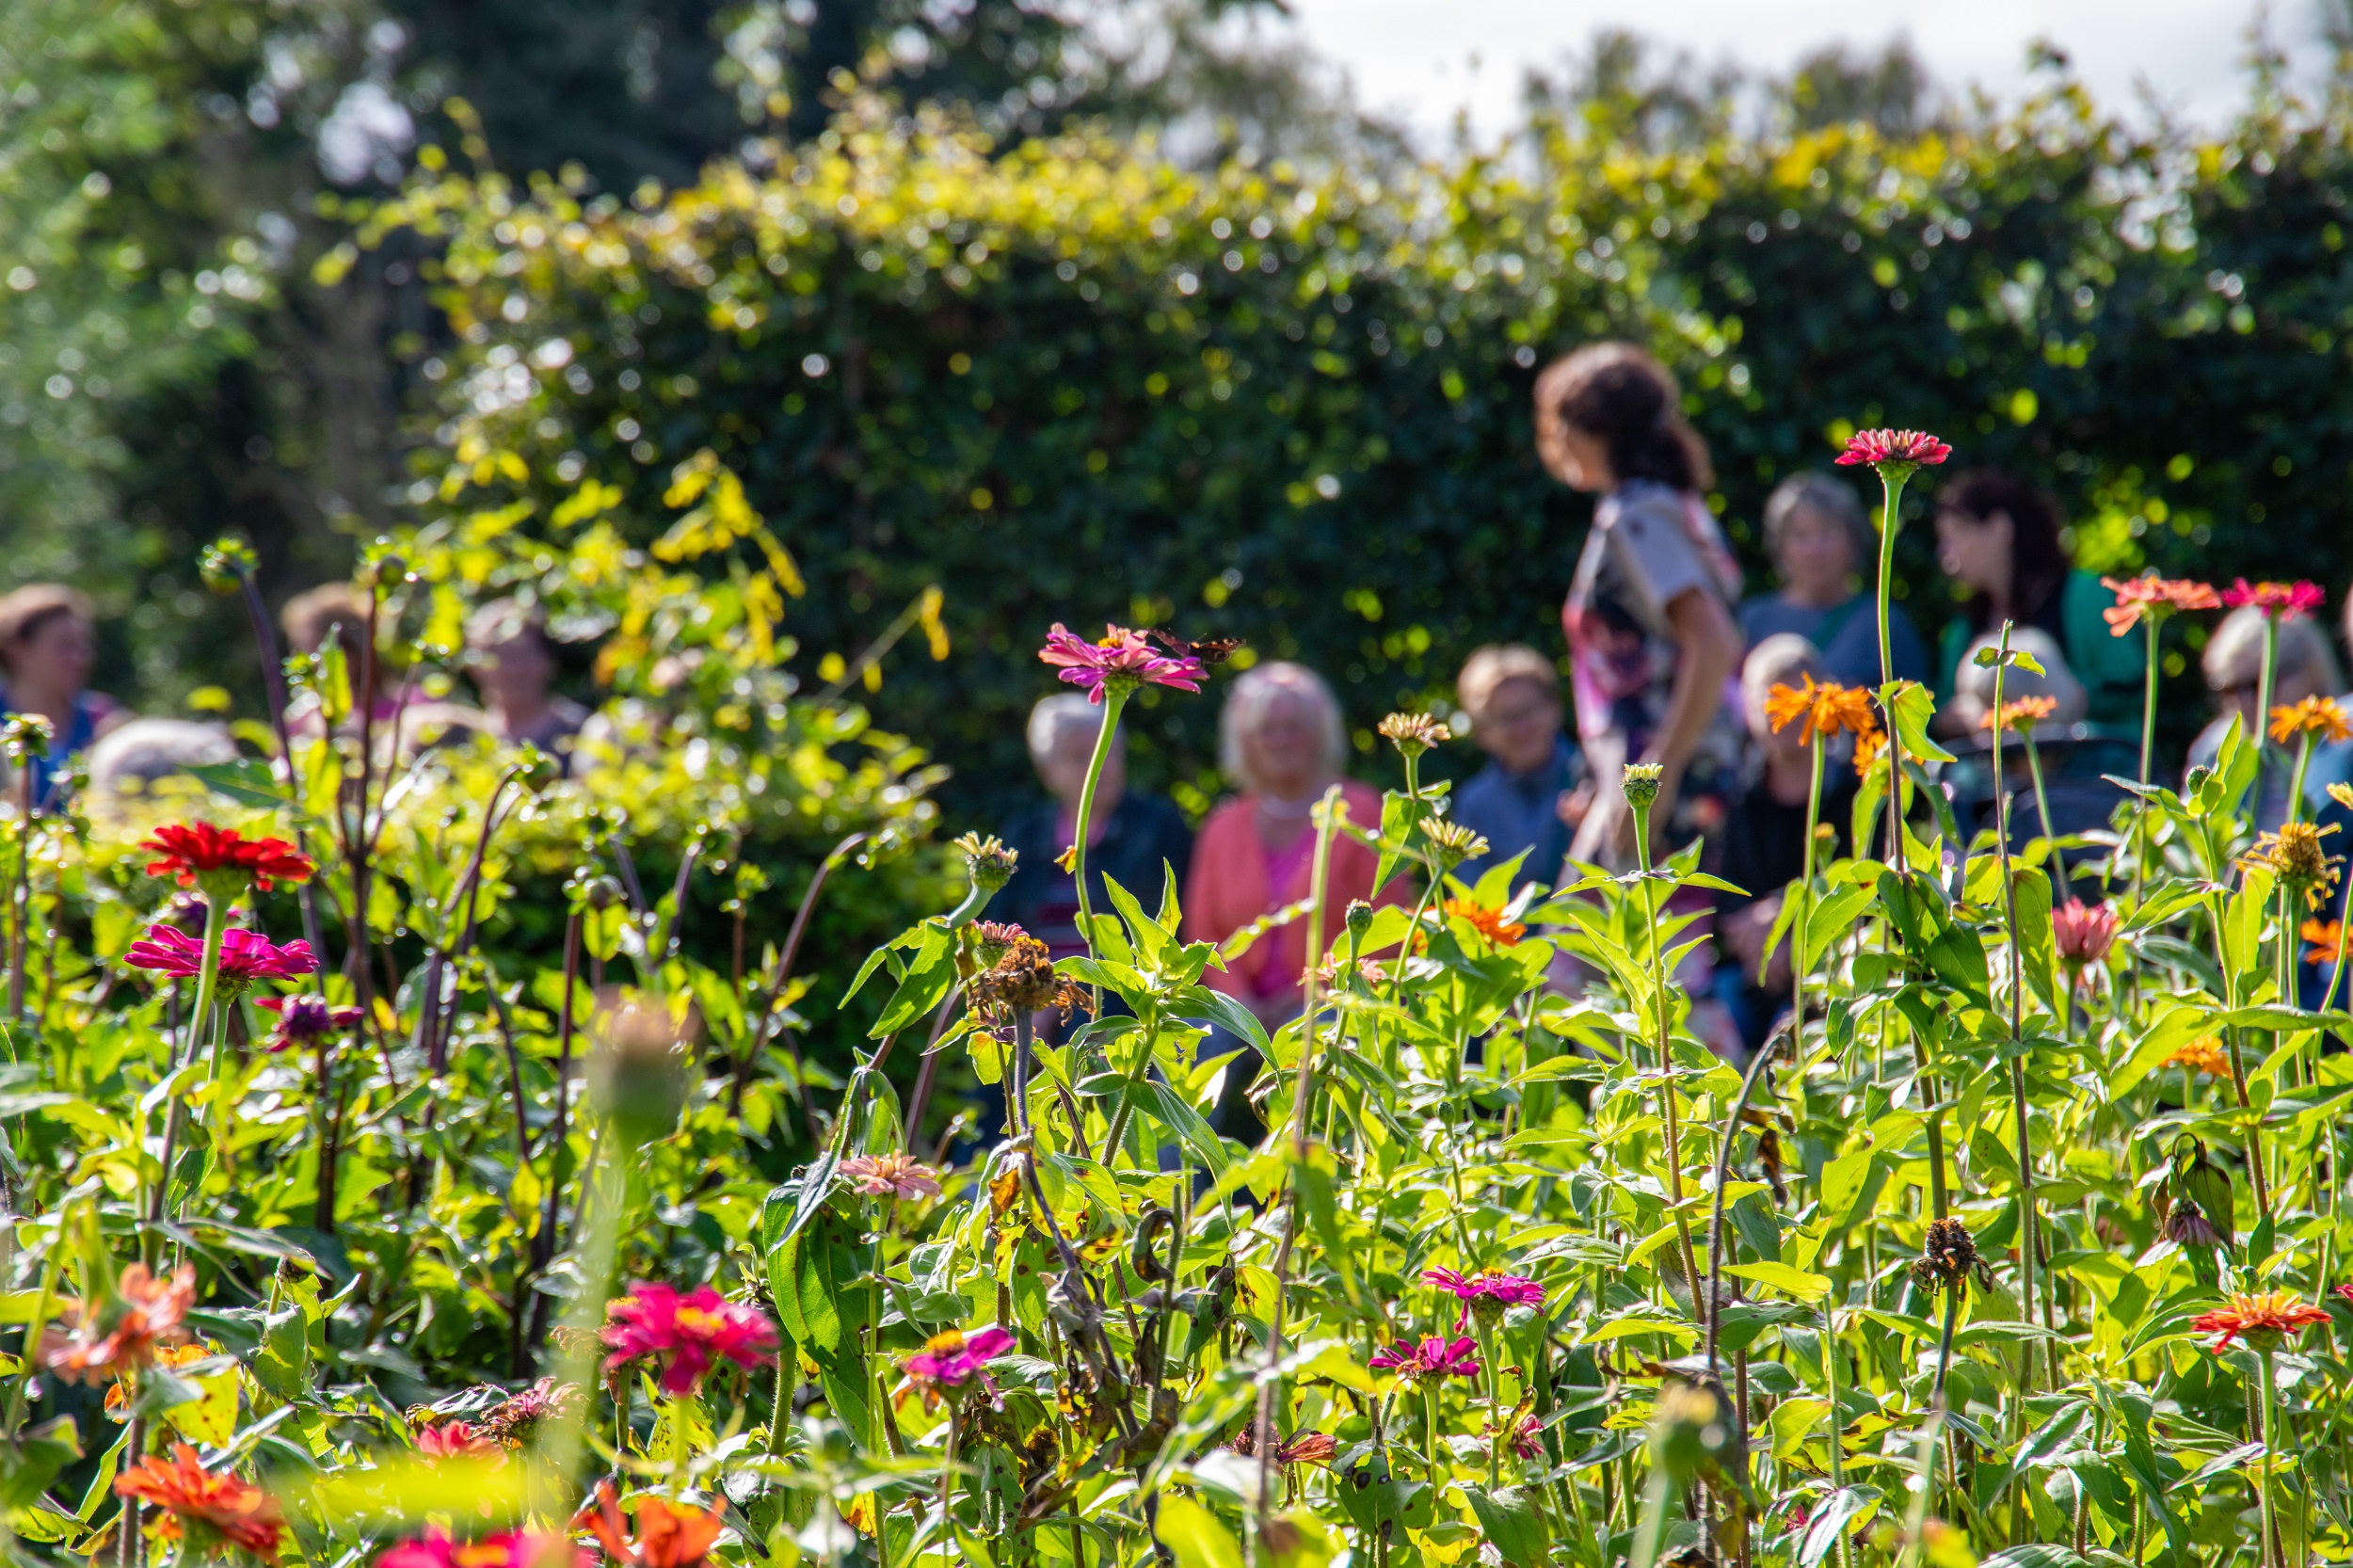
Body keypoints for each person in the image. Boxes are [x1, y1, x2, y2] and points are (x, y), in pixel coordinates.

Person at [1535, 343, 1744, 870]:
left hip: (1659, 783)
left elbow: (1713, 643)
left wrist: (1658, 776)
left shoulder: (1639, 515)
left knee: (1582, 948)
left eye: (1564, 422)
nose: (1556, 439)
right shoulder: (1667, 504)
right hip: (1640, 776)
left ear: (1595, 430)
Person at [1183, 664, 1404, 1130]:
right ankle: (1178, 1191)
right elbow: (1203, 931)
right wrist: (1241, 1000)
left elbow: (1388, 926)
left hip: (1334, 1003)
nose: (1281, 740)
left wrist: (1307, 995)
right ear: (1245, 741)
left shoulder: (1362, 812)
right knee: (1187, 1068)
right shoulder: (1223, 826)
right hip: (1237, 1008)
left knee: (1330, 1057)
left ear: (1320, 734)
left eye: (1294, 728)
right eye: (1267, 730)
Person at [1713, 635, 1857, 1055]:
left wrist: (1787, 919)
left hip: (1835, 970)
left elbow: (1863, 884)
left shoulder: (1854, 790)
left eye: (1796, 697)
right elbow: (1728, 906)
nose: (1785, 713)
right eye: (1770, 699)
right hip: (1755, 980)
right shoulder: (1740, 798)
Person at [1930, 470, 2145, 732]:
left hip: (2091, 758)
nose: (1945, 554)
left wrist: (2071, 699)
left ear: (1999, 527)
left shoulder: (2083, 594)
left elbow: (2133, 682)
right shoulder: (1964, 627)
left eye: (1956, 534)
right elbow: (1942, 703)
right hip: (1994, 768)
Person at [992, 693, 1194, 964]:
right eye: (1079, 757)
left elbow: (1185, 927)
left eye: (1106, 750)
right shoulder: (1024, 837)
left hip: (1125, 998)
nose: (1099, 766)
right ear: (1046, 772)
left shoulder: (1160, 827)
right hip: (1034, 997)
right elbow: (1000, 932)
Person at [1738, 472, 1930, 690]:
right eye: (1801, 536)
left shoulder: (1884, 625)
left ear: (1854, 541)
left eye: (1827, 534)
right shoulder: (1752, 622)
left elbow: (1911, 707)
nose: (1815, 550)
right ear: (1780, 546)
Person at [2188, 603, 2345, 826]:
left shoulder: (2345, 753)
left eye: (2260, 683)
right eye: (2230, 689)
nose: (2245, 702)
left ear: (2311, 670)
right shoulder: (2215, 753)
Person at [1450, 645, 1587, 890]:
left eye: (1529, 710)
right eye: (1505, 718)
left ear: (1555, 707)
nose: (1521, 728)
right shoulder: (1475, 804)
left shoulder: (1594, 778)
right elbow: (1472, 899)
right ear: (1482, 732)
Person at [0, 584, 126, 810]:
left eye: (83, 646)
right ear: (18, 648)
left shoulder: (104, 720)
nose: (80, 659)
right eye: (65, 647)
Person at [465, 598, 589, 753]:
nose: (517, 669)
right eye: (505, 657)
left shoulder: (582, 733)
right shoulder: (465, 740)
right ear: (475, 668)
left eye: (527, 656)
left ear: (550, 662)